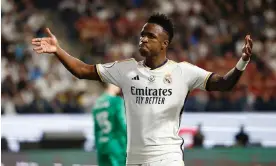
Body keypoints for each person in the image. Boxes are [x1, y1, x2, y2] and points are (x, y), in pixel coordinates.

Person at [31, 13, 253, 166]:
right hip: (134, 160)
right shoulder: (125, 70)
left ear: (164, 44)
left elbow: (224, 83)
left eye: (151, 36)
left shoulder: (184, 72)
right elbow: (82, 70)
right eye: (142, 35)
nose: (143, 39)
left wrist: (242, 62)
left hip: (168, 159)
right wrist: (58, 50)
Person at [92, 83, 127, 166]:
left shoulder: (97, 103)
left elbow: (96, 129)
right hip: (117, 147)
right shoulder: (117, 101)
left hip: (102, 147)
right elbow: (123, 124)